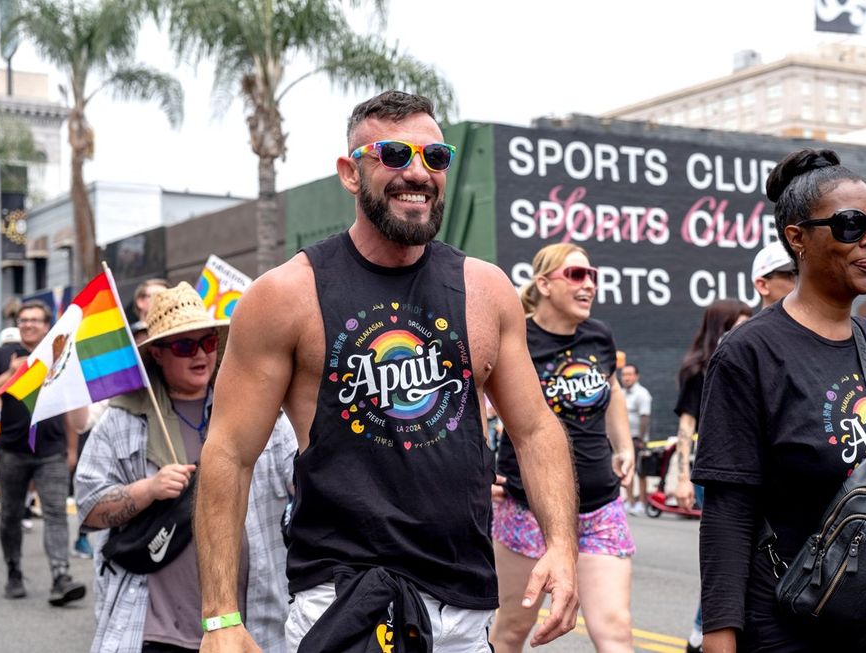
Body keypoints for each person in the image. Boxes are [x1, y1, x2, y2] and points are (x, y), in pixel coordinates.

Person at [194, 90, 579, 652]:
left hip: (465, 607)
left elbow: (535, 428)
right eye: (394, 155)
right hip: (346, 603)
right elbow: (228, 452)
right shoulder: (286, 295)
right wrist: (220, 618)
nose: (417, 173)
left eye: (435, 158)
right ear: (351, 173)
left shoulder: (485, 290)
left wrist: (562, 546)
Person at [694, 148, 866, 652]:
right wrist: (719, 640)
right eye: (848, 225)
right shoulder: (749, 353)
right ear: (797, 238)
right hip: (792, 625)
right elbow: (729, 513)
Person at [75, 282, 295, 653]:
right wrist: (148, 489)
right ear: (158, 354)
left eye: (207, 342)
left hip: (249, 624)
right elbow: (88, 508)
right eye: (183, 345)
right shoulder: (122, 420)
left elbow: (301, 479)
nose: (200, 354)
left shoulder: (258, 412)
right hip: (155, 627)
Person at [491, 244, 635, 652]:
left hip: (600, 507)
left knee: (615, 629)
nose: (588, 283)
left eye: (592, 275)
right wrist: (478, 470)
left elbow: (612, 390)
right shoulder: (517, 337)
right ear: (544, 284)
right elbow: (470, 402)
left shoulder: (599, 336)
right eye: (575, 275)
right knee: (514, 629)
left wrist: (624, 448)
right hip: (527, 509)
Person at [0, 300, 88, 604]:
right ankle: (14, 572)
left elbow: (70, 403)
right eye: (23, 319)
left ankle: (61, 576)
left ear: (48, 325)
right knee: (11, 515)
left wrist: (71, 450)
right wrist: (11, 373)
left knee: (56, 513)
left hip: (51, 451)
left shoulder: (60, 353)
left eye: (35, 320)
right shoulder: (3, 355)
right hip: (12, 451)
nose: (28, 324)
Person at [674, 299, 751, 653]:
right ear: (719, 329)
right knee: (729, 559)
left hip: (751, 471)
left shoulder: (751, 361)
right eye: (737, 325)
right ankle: (700, 633)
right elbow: (686, 426)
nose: (744, 332)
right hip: (715, 474)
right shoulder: (701, 370)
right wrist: (681, 476)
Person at [750, 238, 866, 330]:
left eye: (804, 272)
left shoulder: (821, 329)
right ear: (762, 285)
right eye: (792, 274)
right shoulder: (743, 342)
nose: (802, 280)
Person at [621, 363, 653, 515]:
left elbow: (645, 418)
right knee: (627, 470)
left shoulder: (642, 394)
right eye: (624, 375)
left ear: (636, 376)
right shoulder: (620, 393)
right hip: (624, 439)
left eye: (629, 374)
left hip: (636, 439)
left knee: (641, 472)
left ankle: (641, 502)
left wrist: (641, 440)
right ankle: (630, 501)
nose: (626, 378)